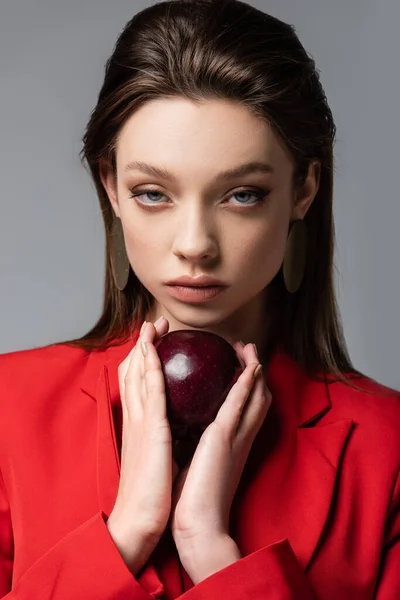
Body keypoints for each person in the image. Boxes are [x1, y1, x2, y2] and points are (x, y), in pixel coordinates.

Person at [0, 0, 399, 597]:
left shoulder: (387, 450)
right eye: (154, 193)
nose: (195, 246)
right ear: (111, 186)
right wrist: (128, 532)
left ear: (303, 190)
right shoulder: (8, 412)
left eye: (241, 195)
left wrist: (212, 549)